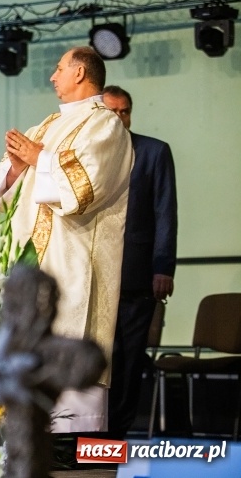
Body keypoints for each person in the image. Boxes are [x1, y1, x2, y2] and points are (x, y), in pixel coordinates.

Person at [0, 46, 133, 432]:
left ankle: (77, 444)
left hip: (75, 258)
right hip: (29, 256)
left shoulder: (106, 125)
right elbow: (7, 194)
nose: (53, 76)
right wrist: (16, 169)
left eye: (60, 68)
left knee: (71, 343)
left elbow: (86, 187)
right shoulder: (46, 126)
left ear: (80, 72)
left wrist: (39, 158)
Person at [103, 85, 177, 438]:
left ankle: (112, 443)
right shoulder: (84, 154)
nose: (120, 118)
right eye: (112, 112)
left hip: (136, 277)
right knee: (97, 363)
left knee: (129, 364)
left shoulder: (154, 151)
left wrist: (163, 267)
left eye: (125, 111)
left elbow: (165, 212)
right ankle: (89, 442)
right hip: (93, 279)